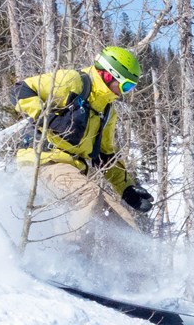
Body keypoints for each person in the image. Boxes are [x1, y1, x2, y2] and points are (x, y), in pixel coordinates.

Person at [11, 46, 154, 254]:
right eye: (126, 85)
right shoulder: (73, 82)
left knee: (123, 220)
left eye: (130, 88)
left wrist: (127, 189)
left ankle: (132, 280)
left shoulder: (106, 111)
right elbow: (21, 90)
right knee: (88, 194)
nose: (124, 93)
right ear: (108, 74)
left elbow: (105, 156)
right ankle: (70, 258)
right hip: (43, 162)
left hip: (72, 174)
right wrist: (48, 119)